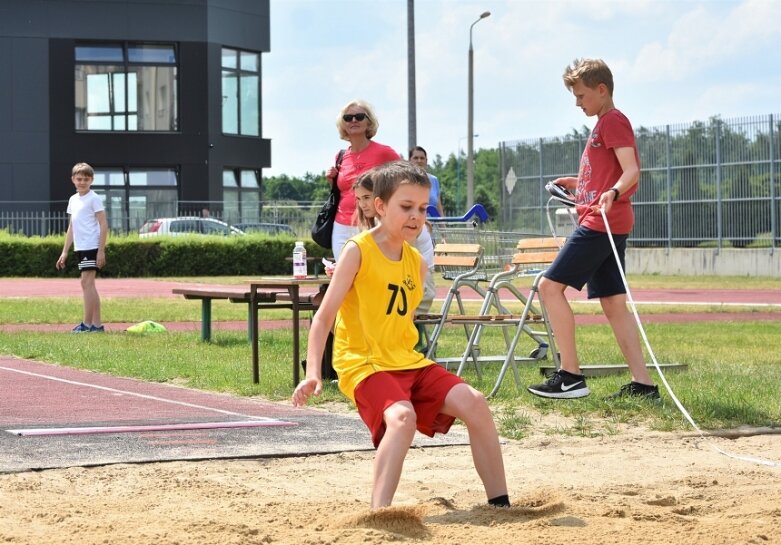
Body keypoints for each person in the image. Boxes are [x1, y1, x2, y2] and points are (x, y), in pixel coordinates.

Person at [293, 161, 510, 509]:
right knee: (402, 418)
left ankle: (501, 506)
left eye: (422, 209)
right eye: (406, 207)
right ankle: (380, 514)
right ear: (380, 206)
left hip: (406, 360)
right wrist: (313, 373)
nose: (415, 216)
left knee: (475, 402)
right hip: (365, 364)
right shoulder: (357, 250)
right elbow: (323, 317)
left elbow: (400, 320)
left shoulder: (416, 262)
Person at [527, 58, 659, 400]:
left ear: (602, 90)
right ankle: (643, 385)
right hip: (606, 222)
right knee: (614, 303)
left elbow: (630, 171)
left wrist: (613, 192)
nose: (577, 102)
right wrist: (579, 183)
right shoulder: (603, 123)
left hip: (601, 223)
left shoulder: (613, 121)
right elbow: (608, 172)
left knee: (549, 287)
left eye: (581, 95)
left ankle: (570, 375)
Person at [325, 99, 400, 261]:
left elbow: (405, 179)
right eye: (348, 118)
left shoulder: (384, 153)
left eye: (359, 116)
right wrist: (332, 181)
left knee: (371, 272)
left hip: (372, 222)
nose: (353, 120)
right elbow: (343, 191)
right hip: (341, 224)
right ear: (342, 124)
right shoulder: (340, 156)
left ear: (369, 122)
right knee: (345, 273)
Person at [56, 162, 108, 333]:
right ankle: (97, 325)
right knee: (89, 284)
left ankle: (86, 325)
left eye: (86, 179)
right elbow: (72, 226)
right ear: (73, 180)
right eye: (79, 179)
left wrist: (101, 250)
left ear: (91, 180)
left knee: (86, 282)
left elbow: (103, 224)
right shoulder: (73, 200)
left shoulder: (94, 198)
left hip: (91, 245)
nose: (82, 182)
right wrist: (64, 251)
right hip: (81, 247)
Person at [409, 145, 444, 217]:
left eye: (422, 158)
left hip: (433, 226)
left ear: (426, 161)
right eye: (416, 158)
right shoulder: (404, 181)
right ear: (410, 160)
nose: (419, 161)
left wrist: (443, 227)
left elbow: (439, 208)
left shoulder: (434, 180)